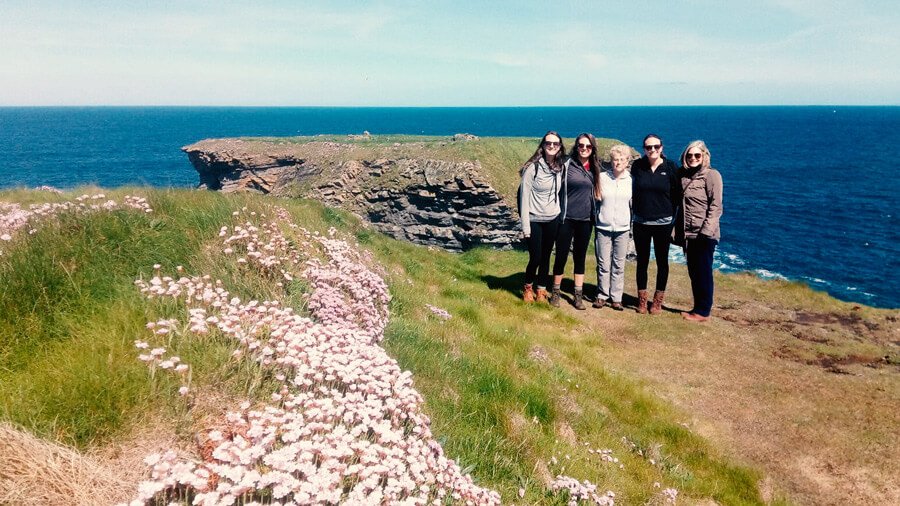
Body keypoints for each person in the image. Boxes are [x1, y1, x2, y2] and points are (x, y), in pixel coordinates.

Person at [631, 134, 679, 314]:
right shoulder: (637, 166)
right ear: (644, 149)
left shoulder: (671, 167)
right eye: (648, 147)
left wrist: (672, 217)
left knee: (662, 262)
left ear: (662, 147)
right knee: (641, 262)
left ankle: (657, 302)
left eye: (656, 146)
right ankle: (642, 301)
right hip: (641, 221)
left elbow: (676, 195)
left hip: (663, 223)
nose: (652, 150)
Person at [549, 133, 599, 310]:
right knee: (561, 255)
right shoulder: (566, 164)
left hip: (585, 220)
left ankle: (578, 295)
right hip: (566, 218)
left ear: (593, 148)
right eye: (581, 145)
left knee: (580, 257)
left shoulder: (596, 167)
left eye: (588, 146)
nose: (584, 149)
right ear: (576, 146)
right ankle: (555, 292)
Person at [675, 140, 723, 322]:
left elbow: (716, 206)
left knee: (703, 271)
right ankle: (698, 308)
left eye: (697, 155)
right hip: (688, 233)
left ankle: (703, 312)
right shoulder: (683, 175)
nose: (693, 158)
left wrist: (705, 232)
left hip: (704, 234)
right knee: (694, 272)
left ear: (704, 156)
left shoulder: (712, 175)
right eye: (690, 155)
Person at [519, 131, 566, 303]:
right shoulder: (533, 168)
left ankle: (541, 289)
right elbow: (524, 198)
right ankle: (528, 287)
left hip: (552, 218)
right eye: (548, 143)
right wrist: (525, 226)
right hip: (534, 219)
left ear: (560, 147)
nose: (552, 146)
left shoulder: (561, 166)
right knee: (536, 257)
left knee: (546, 256)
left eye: (555, 143)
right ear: (543, 145)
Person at [593, 144, 633, 310]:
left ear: (627, 161)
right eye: (615, 159)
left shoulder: (631, 180)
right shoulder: (602, 178)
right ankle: (602, 295)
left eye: (621, 159)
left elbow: (634, 204)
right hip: (603, 227)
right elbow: (596, 200)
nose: (618, 162)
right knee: (603, 263)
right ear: (611, 161)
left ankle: (616, 298)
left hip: (623, 229)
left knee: (619, 264)